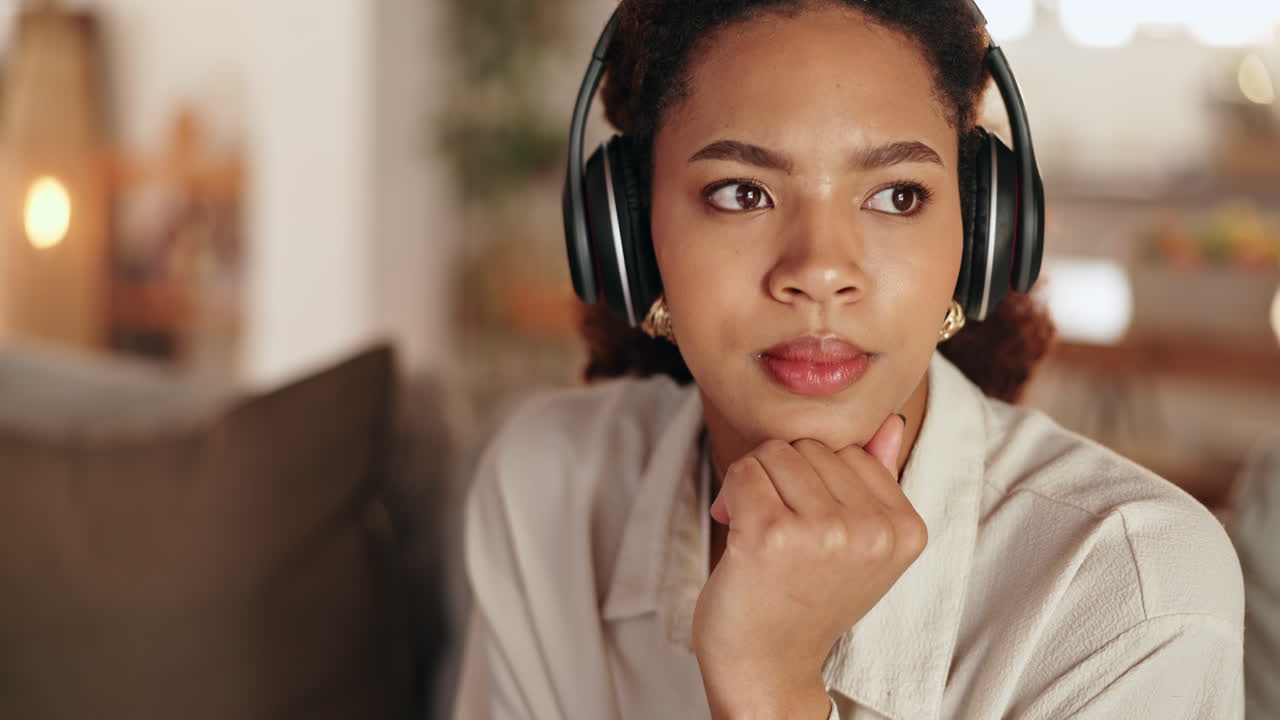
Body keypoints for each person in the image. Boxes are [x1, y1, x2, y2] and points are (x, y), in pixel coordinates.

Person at [452, 1, 1245, 717]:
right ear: (627, 235)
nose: (821, 270)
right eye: (741, 192)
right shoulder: (549, 484)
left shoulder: (1137, 589)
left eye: (897, 195)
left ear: (983, 235)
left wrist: (768, 690)